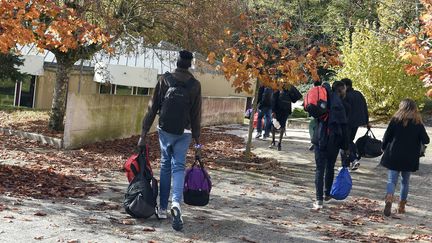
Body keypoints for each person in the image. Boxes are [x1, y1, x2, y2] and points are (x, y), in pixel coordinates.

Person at [137, 50, 202, 231]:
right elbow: (196, 115)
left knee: (166, 165)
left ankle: (163, 209)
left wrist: (143, 134)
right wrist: (198, 142)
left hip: (165, 130)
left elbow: (152, 108)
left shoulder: (164, 80)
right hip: (186, 131)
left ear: (177, 61)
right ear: (190, 64)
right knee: (179, 166)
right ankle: (176, 203)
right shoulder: (195, 85)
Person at [380, 99, 429, 217]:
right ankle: (401, 205)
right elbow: (426, 140)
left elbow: (387, 136)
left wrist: (383, 147)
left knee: (392, 180)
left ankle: (389, 198)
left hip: (394, 155)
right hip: (410, 157)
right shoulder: (418, 123)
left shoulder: (395, 120)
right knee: (405, 181)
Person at [312, 81, 349, 210]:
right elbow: (344, 126)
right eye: (344, 90)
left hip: (320, 139)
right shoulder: (340, 104)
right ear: (340, 90)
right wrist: (346, 146)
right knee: (330, 166)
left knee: (319, 169)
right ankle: (327, 193)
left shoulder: (322, 101)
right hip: (334, 140)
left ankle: (318, 199)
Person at [341, 78, 370, 170]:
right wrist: (366, 121)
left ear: (345, 86)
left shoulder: (346, 96)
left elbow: (343, 110)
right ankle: (352, 160)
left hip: (347, 123)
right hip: (357, 122)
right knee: (350, 141)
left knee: (344, 143)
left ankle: (350, 161)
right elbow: (364, 107)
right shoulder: (358, 94)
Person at [270, 85, 298, 151]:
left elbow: (273, 100)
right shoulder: (289, 89)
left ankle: (273, 141)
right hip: (286, 110)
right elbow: (295, 99)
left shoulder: (278, 88)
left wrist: (273, 111)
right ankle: (279, 143)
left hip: (277, 110)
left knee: (273, 125)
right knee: (282, 126)